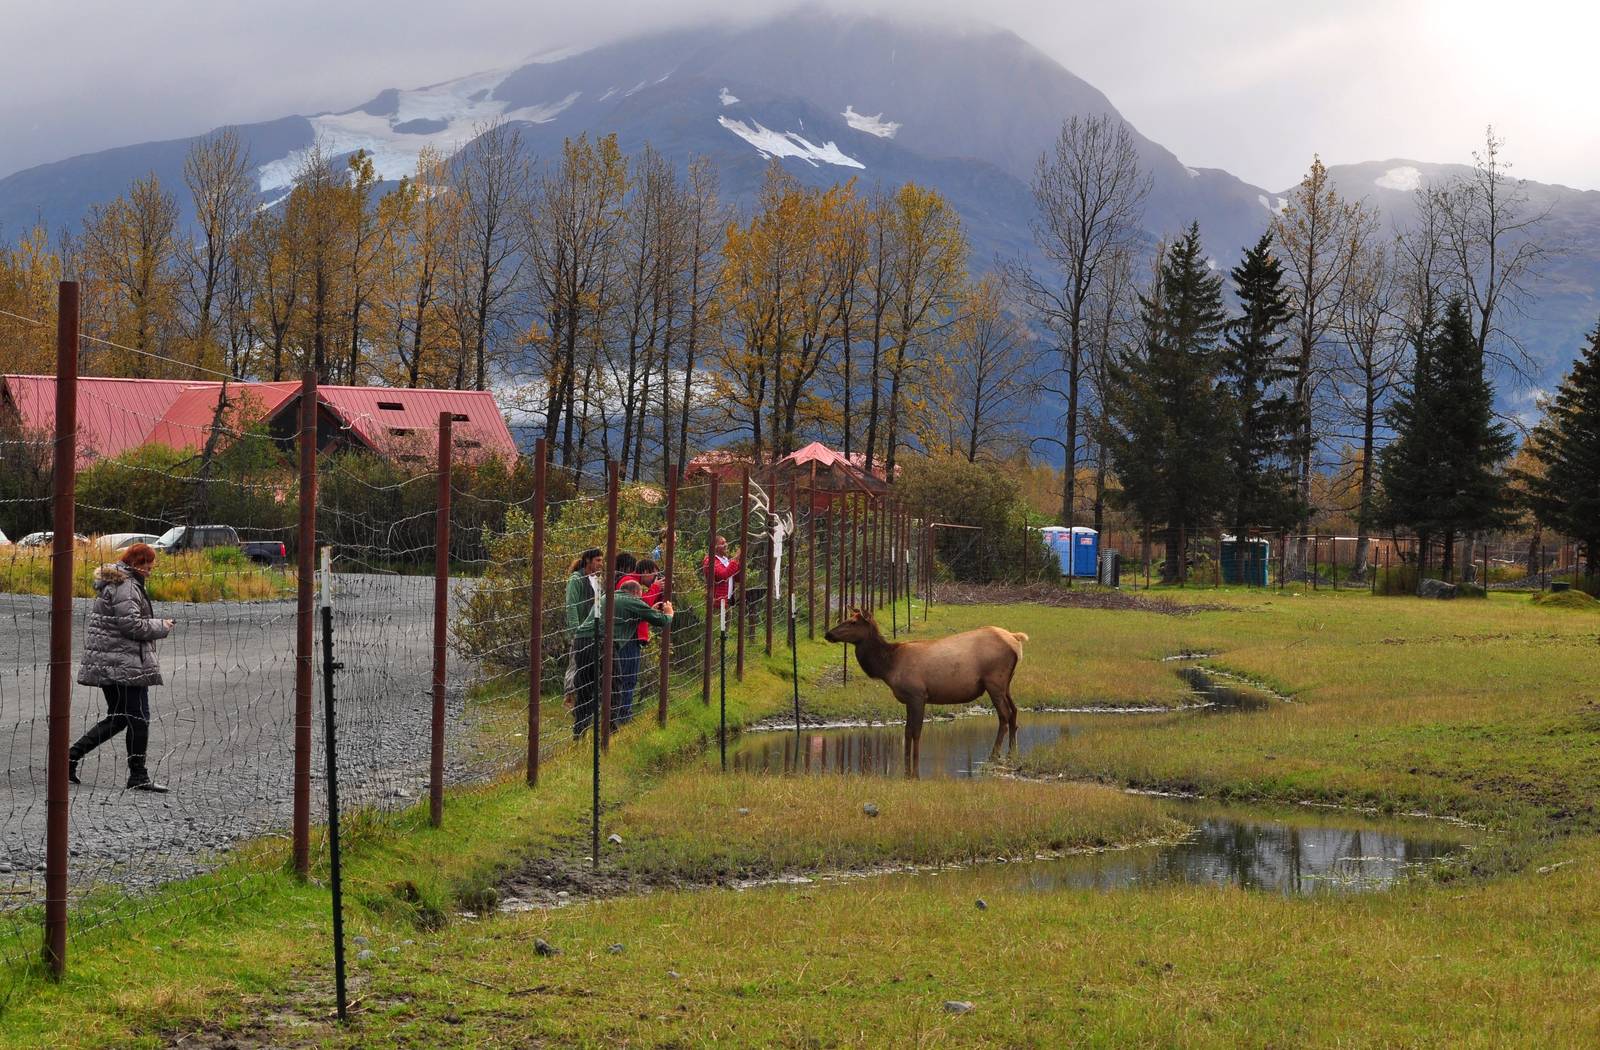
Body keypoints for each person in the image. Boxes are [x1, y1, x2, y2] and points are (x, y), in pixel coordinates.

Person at [70, 542, 174, 792]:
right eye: (145, 563)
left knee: (119, 718)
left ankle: (70, 758)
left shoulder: (123, 582)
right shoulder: (126, 585)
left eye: (150, 563)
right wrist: (162, 625)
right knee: (138, 718)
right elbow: (132, 626)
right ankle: (138, 777)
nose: (149, 568)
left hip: (113, 660)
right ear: (133, 563)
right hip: (123, 663)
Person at [572, 579, 674, 737]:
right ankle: (609, 729)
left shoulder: (610, 596)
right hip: (602, 643)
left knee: (586, 688)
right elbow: (660, 621)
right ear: (636, 593)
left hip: (581, 640)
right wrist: (668, 614)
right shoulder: (631, 600)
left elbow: (622, 617)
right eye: (640, 597)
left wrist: (649, 610)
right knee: (613, 685)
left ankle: (579, 732)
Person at [613, 558, 664, 726]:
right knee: (627, 678)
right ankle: (622, 717)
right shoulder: (629, 582)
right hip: (628, 637)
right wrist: (656, 589)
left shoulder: (632, 582)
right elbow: (638, 606)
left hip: (629, 636)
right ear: (645, 572)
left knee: (627, 678)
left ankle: (621, 714)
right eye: (654, 575)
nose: (655, 579)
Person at [564, 549, 603, 711]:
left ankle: (587, 700)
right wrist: (576, 630)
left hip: (593, 631)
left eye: (602, 560)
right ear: (588, 560)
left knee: (590, 666)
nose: (601, 563)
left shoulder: (596, 580)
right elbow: (571, 605)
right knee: (575, 663)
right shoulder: (576, 579)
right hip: (580, 631)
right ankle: (569, 698)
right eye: (598, 560)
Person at [701, 535, 741, 607]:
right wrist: (736, 559)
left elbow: (738, 578)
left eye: (726, 543)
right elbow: (723, 575)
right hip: (717, 603)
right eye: (722, 543)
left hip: (728, 602)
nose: (726, 545)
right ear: (715, 546)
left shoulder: (726, 560)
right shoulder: (710, 560)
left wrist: (740, 562)